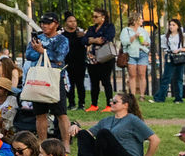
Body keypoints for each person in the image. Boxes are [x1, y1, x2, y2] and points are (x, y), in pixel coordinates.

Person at [80, 92, 159, 156]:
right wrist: (76, 128)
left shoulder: (132, 120)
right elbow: (88, 135)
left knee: (103, 133)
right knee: (83, 133)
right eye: (111, 101)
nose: (111, 103)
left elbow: (155, 139)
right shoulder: (106, 120)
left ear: (125, 105)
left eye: (115, 102)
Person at [18, 12, 71, 145]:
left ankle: (66, 143)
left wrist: (42, 51)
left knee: (61, 113)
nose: (44, 25)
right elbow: (29, 55)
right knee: (40, 114)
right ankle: (42, 142)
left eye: (48, 23)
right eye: (42, 23)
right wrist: (44, 52)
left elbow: (60, 57)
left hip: (55, 78)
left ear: (56, 24)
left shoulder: (62, 40)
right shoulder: (37, 38)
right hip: (38, 79)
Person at [82, 8, 116, 110]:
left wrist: (92, 39)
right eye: (93, 16)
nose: (94, 18)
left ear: (103, 17)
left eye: (96, 16)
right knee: (94, 82)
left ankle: (109, 105)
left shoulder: (109, 27)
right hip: (92, 59)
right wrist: (94, 40)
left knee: (106, 81)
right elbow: (84, 40)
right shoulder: (91, 28)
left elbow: (106, 38)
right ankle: (94, 104)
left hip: (105, 58)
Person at [154, 18, 185, 104]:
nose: (171, 27)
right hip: (169, 56)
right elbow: (164, 49)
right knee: (166, 77)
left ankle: (178, 98)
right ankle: (161, 97)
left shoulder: (183, 36)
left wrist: (179, 49)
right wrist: (164, 58)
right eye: (170, 25)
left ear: (178, 26)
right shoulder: (165, 37)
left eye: (173, 25)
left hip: (179, 57)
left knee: (179, 78)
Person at [119, 13, 152, 101]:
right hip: (131, 54)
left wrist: (146, 43)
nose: (142, 20)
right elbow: (124, 42)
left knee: (142, 75)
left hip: (142, 53)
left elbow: (149, 42)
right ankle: (133, 96)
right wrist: (134, 36)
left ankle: (142, 96)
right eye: (140, 19)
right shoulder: (126, 30)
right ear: (135, 20)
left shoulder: (143, 30)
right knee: (132, 75)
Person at [62, 14, 90, 111]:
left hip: (80, 62)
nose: (73, 23)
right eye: (70, 21)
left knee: (80, 84)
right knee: (69, 83)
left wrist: (84, 36)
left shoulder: (80, 34)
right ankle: (71, 103)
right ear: (66, 22)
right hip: (68, 62)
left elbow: (87, 43)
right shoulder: (63, 35)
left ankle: (81, 103)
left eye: (74, 21)